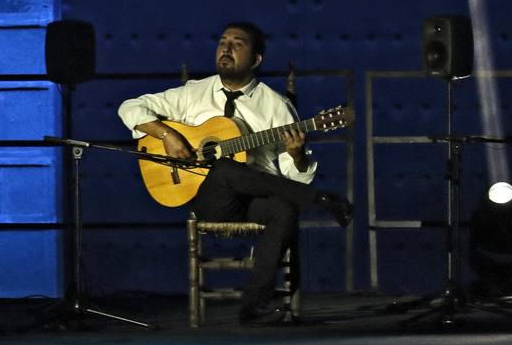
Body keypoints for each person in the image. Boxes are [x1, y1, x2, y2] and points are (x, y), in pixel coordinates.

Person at [117, 22, 353, 324]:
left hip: (254, 199)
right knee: (225, 168)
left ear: (255, 60)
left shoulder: (276, 106)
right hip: (208, 198)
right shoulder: (193, 93)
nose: (226, 49)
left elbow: (292, 178)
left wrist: (296, 155)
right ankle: (321, 199)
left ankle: (253, 307)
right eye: (222, 42)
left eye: (237, 43)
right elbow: (129, 107)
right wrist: (167, 135)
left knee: (284, 208)